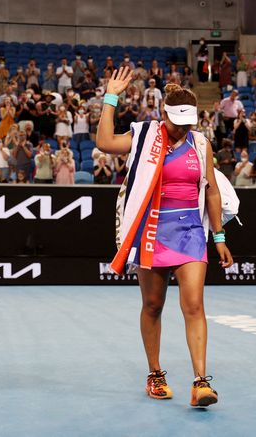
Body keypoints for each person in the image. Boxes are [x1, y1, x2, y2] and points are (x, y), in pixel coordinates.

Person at [96, 67, 234, 407]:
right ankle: (155, 373)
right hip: (152, 232)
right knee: (153, 305)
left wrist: (219, 237)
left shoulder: (201, 143)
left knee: (194, 305)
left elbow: (212, 192)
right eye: (176, 121)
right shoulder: (143, 135)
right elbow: (104, 143)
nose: (183, 128)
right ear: (163, 114)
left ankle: (201, 382)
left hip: (190, 233)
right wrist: (110, 98)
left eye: (188, 122)